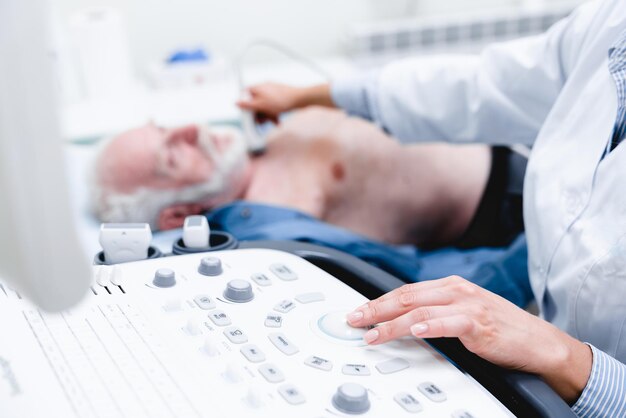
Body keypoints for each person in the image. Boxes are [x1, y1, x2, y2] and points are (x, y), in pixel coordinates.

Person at [239, 0, 626, 414]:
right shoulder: (609, 24)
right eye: (164, 149)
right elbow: (475, 86)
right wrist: (306, 95)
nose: (188, 134)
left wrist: (570, 362)